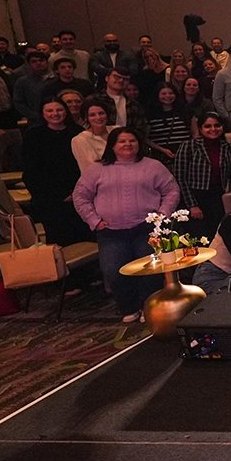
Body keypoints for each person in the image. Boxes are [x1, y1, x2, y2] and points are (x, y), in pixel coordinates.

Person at [73, 127, 178, 322]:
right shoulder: (96, 169)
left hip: (146, 229)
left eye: (132, 140)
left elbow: (171, 190)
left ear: (139, 144)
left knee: (151, 271)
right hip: (111, 231)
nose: (128, 144)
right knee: (113, 271)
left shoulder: (154, 166)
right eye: (122, 141)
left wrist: (162, 215)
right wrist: (94, 220)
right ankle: (129, 308)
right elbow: (80, 196)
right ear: (112, 146)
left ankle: (149, 307)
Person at [21, 99, 89, 246]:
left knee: (84, 238)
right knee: (59, 241)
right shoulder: (33, 135)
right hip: (49, 198)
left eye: (59, 110)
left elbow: (84, 166)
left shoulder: (78, 132)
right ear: (42, 113)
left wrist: (76, 192)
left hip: (79, 194)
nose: (55, 114)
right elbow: (31, 172)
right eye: (50, 111)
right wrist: (59, 195)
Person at [172, 111, 231, 238]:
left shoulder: (228, 147)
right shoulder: (189, 146)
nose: (213, 129)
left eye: (217, 125)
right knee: (199, 238)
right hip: (194, 197)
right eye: (208, 126)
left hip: (217, 197)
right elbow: (180, 178)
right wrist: (192, 205)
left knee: (218, 236)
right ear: (200, 128)